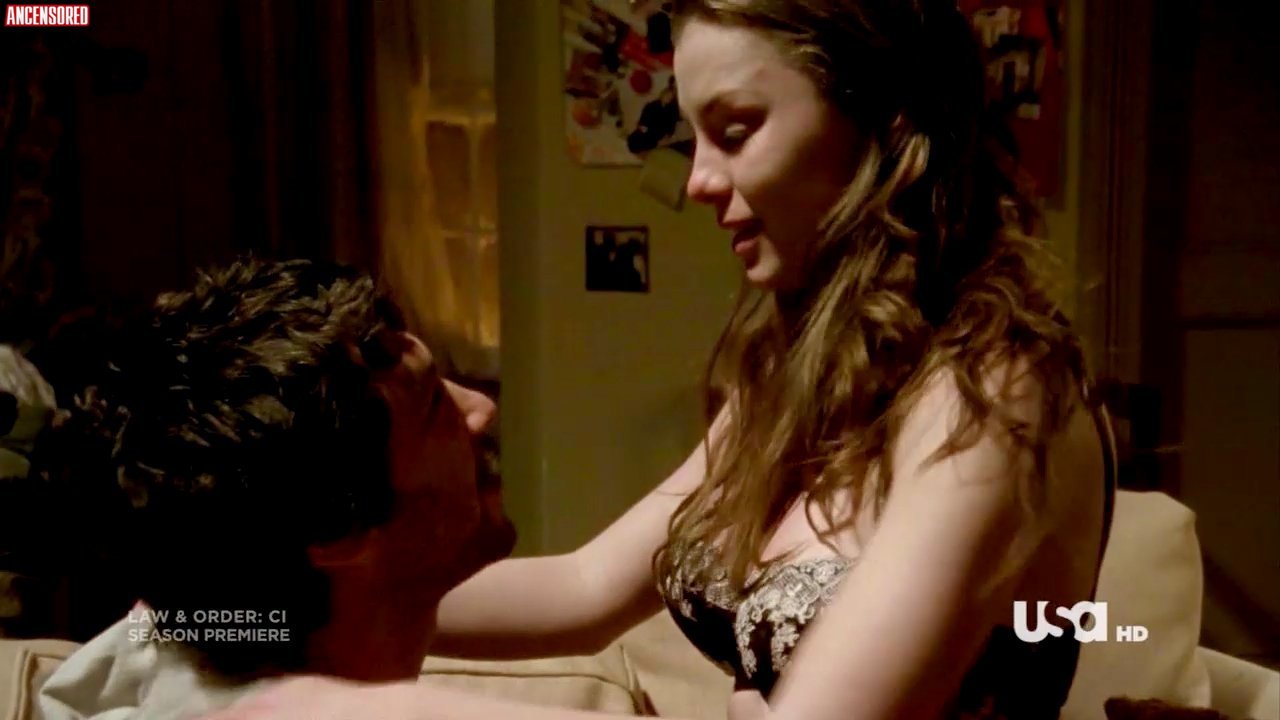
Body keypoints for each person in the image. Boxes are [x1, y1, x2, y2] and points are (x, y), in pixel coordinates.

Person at [206, 0, 1116, 718]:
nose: (699, 181)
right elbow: (585, 588)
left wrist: (316, 705)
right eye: (693, 139)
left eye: (736, 130)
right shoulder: (799, 374)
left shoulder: (998, 391)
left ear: (882, 117)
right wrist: (228, 612)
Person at [29, 258, 515, 719]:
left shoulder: (217, 624)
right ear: (336, 523)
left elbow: (575, 586)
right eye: (434, 406)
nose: (481, 409)